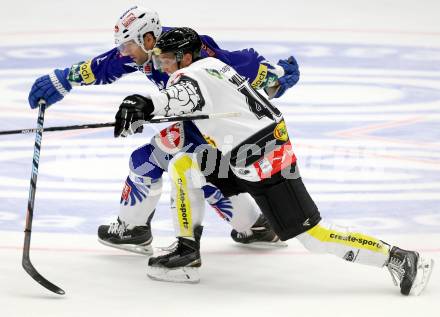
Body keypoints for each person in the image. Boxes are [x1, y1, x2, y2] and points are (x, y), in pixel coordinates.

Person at [114, 27, 434, 295]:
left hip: (264, 160)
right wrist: (149, 113)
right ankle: (187, 253)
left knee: (314, 236)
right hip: (244, 153)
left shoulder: (190, 75)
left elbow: (182, 96)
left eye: (166, 59)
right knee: (184, 166)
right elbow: (191, 107)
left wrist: (144, 103)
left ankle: (399, 258)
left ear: (184, 57)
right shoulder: (215, 67)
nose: (163, 65)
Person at [27, 6, 300, 255]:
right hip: (201, 126)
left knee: (149, 161)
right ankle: (255, 226)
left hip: (215, 129)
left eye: (128, 45)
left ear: (148, 39)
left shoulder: (189, 49)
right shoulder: (149, 48)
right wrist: (64, 78)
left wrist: (274, 77)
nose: (124, 52)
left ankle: (133, 229)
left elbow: (239, 66)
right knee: (203, 172)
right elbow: (111, 63)